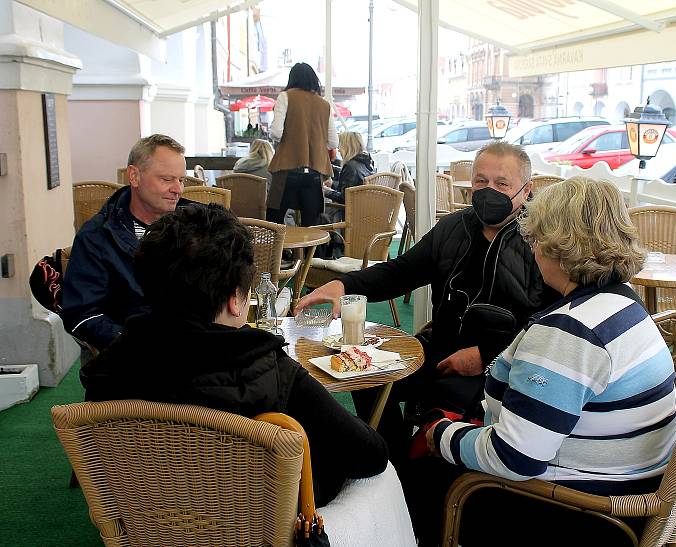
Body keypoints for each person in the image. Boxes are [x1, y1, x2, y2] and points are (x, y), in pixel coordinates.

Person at [405, 176, 676, 546]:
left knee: (411, 482)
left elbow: (514, 460)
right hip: (629, 490)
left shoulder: (571, 332)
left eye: (535, 240)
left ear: (558, 246)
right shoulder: (623, 303)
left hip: (572, 510)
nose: (532, 251)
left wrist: (439, 433)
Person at [80, 204, 388, 506]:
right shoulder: (270, 371)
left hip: (148, 520)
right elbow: (370, 456)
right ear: (234, 301)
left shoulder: (107, 370)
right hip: (255, 522)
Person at [296, 142, 560, 462]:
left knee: (448, 401)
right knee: (362, 374)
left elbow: (551, 323)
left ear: (526, 189)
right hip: (440, 351)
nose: (488, 190)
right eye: (481, 181)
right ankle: (392, 461)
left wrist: (487, 356)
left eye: (501, 184)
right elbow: (401, 272)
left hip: (506, 368)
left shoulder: (544, 243)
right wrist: (343, 284)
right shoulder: (452, 228)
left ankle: (421, 470)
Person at [61, 134, 191, 350]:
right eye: (167, 179)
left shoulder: (197, 224)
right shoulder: (96, 237)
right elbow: (81, 316)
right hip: (134, 358)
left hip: (198, 348)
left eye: (181, 180)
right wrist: (141, 343)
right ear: (134, 176)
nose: (178, 189)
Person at [267, 62, 338, 226]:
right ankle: (308, 253)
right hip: (314, 173)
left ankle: (281, 252)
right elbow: (334, 141)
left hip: (286, 171)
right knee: (311, 225)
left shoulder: (285, 96)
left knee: (274, 221)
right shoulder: (324, 105)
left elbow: (276, 133)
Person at [323, 131, 374, 205]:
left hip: (350, 211)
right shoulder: (366, 161)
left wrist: (325, 191)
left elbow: (345, 198)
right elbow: (351, 188)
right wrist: (332, 184)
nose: (339, 150)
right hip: (363, 206)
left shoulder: (351, 167)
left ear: (346, 146)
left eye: (340, 146)